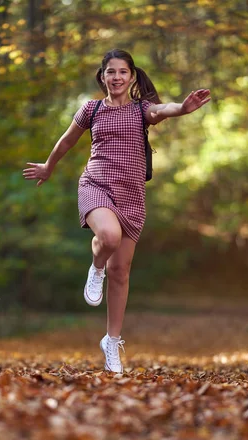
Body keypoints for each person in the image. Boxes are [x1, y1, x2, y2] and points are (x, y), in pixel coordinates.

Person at [23, 49, 210, 374]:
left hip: (132, 197)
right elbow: (67, 141)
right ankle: (96, 268)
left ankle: (111, 342)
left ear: (131, 76)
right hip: (95, 184)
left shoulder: (142, 110)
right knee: (108, 237)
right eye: (111, 72)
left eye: (123, 72)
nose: (117, 77)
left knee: (121, 272)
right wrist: (48, 167)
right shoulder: (91, 109)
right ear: (102, 77)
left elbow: (163, 110)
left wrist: (182, 107)